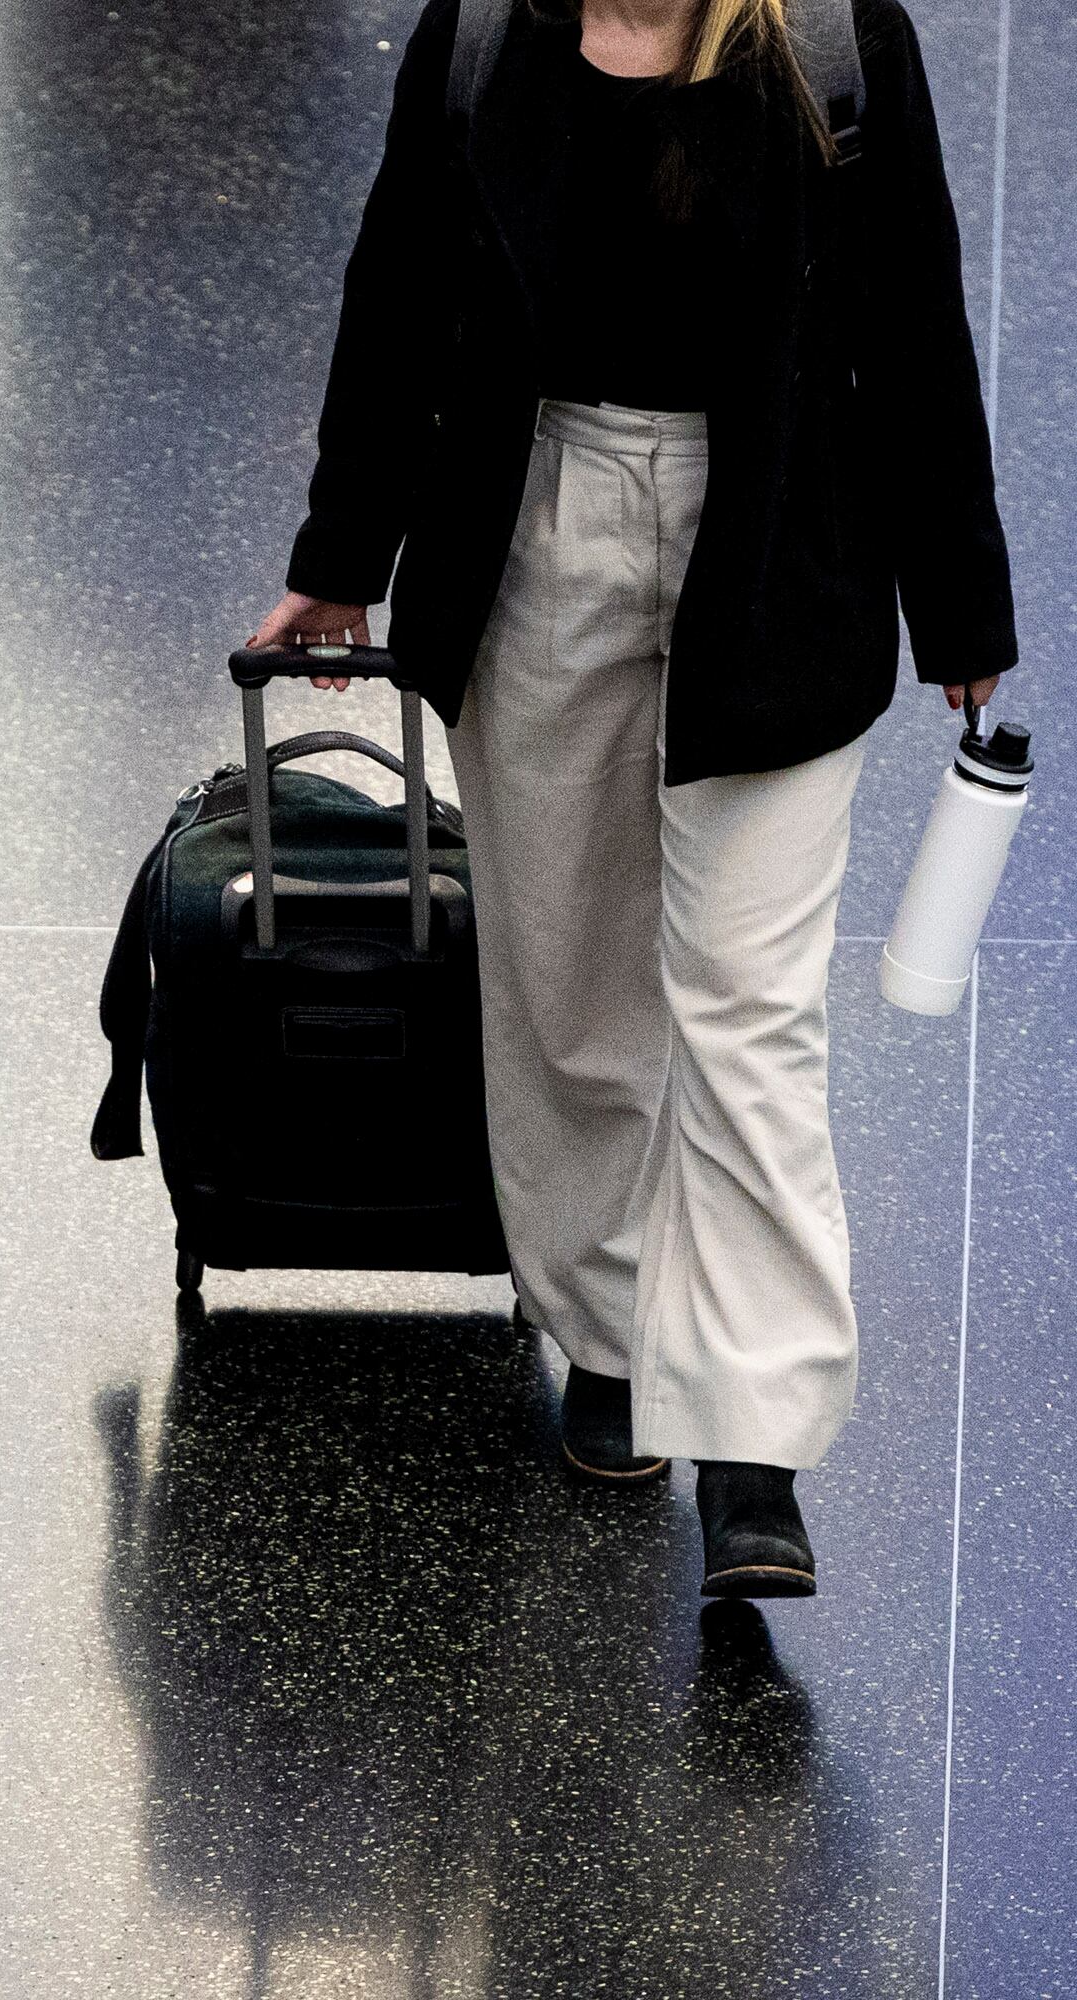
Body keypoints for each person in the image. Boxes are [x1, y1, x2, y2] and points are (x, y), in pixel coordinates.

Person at [251, 0, 1016, 1597]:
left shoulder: (829, 46)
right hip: (537, 528)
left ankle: (751, 1435)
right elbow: (399, 292)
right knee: (571, 981)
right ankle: (609, 1330)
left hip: (780, 541)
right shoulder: (482, 38)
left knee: (747, 1007)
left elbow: (911, 311)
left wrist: (961, 603)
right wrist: (341, 554)